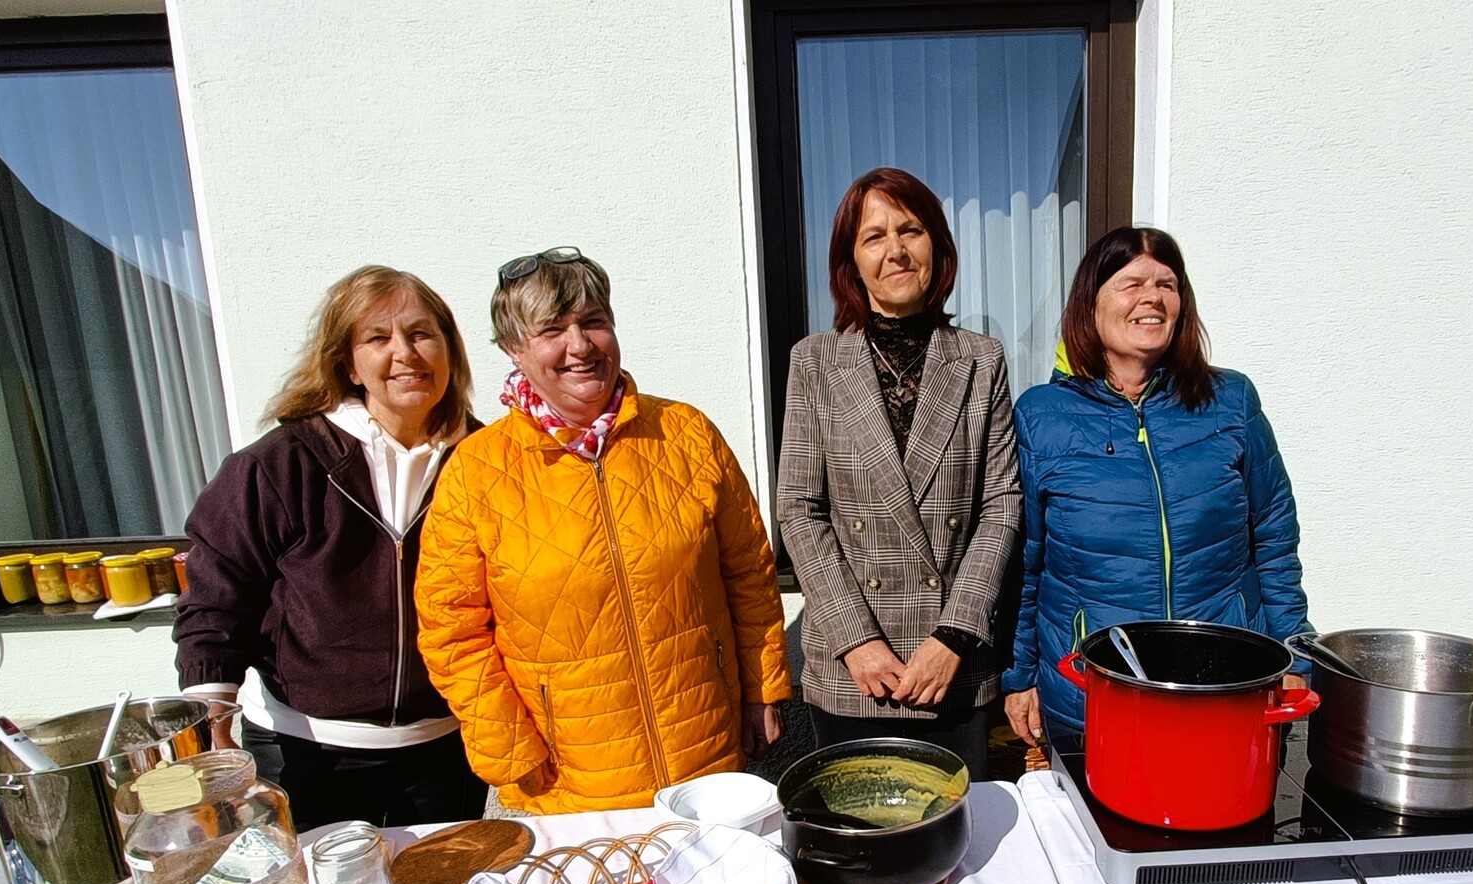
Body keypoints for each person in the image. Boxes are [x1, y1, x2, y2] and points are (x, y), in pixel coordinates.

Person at [415, 248, 792, 814]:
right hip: (571, 782)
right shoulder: (475, 472)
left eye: (593, 322)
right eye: (552, 330)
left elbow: (750, 576)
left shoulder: (686, 434)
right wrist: (509, 748)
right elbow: (451, 631)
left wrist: (763, 690)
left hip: (704, 759)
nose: (580, 345)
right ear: (514, 348)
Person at [175, 266, 484, 829]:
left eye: (421, 333)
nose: (405, 353)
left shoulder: (488, 461)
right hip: (307, 752)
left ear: (449, 349)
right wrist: (210, 713)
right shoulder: (281, 463)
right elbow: (219, 591)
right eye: (378, 338)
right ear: (348, 364)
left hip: (444, 749)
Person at [1003, 227, 1311, 747]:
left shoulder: (1230, 400)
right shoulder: (1041, 416)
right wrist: (1020, 676)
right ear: (1090, 303)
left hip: (1225, 686)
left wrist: (1294, 654)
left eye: (1167, 284)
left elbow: (1275, 541)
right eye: (1131, 284)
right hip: (1095, 691)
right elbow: (1023, 563)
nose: (1152, 297)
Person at [775, 168, 1021, 776]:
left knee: (955, 823)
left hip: (953, 665)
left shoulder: (981, 359)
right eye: (874, 236)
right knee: (854, 826)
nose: (896, 251)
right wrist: (857, 640)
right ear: (851, 262)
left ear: (937, 246)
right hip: (854, 668)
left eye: (911, 230)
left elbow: (1001, 505)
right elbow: (799, 510)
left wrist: (955, 635)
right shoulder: (814, 362)